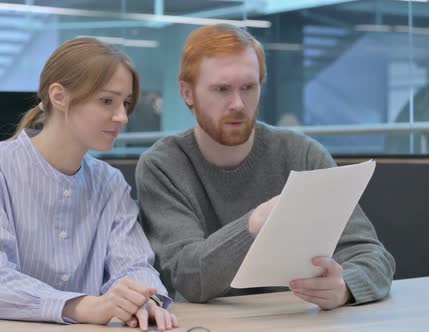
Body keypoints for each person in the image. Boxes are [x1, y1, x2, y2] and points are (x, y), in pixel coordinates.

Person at [136, 24, 396, 309]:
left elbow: (373, 256)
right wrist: (254, 223)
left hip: (296, 321)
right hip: (209, 325)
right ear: (187, 93)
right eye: (222, 89)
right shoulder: (162, 166)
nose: (237, 103)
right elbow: (187, 277)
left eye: (248, 87)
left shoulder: (303, 154)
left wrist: (346, 286)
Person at [0, 37, 177, 331]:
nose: (122, 116)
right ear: (59, 96)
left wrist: (144, 301)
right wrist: (84, 305)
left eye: (125, 103)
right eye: (106, 101)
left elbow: (134, 265)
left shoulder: (110, 183)